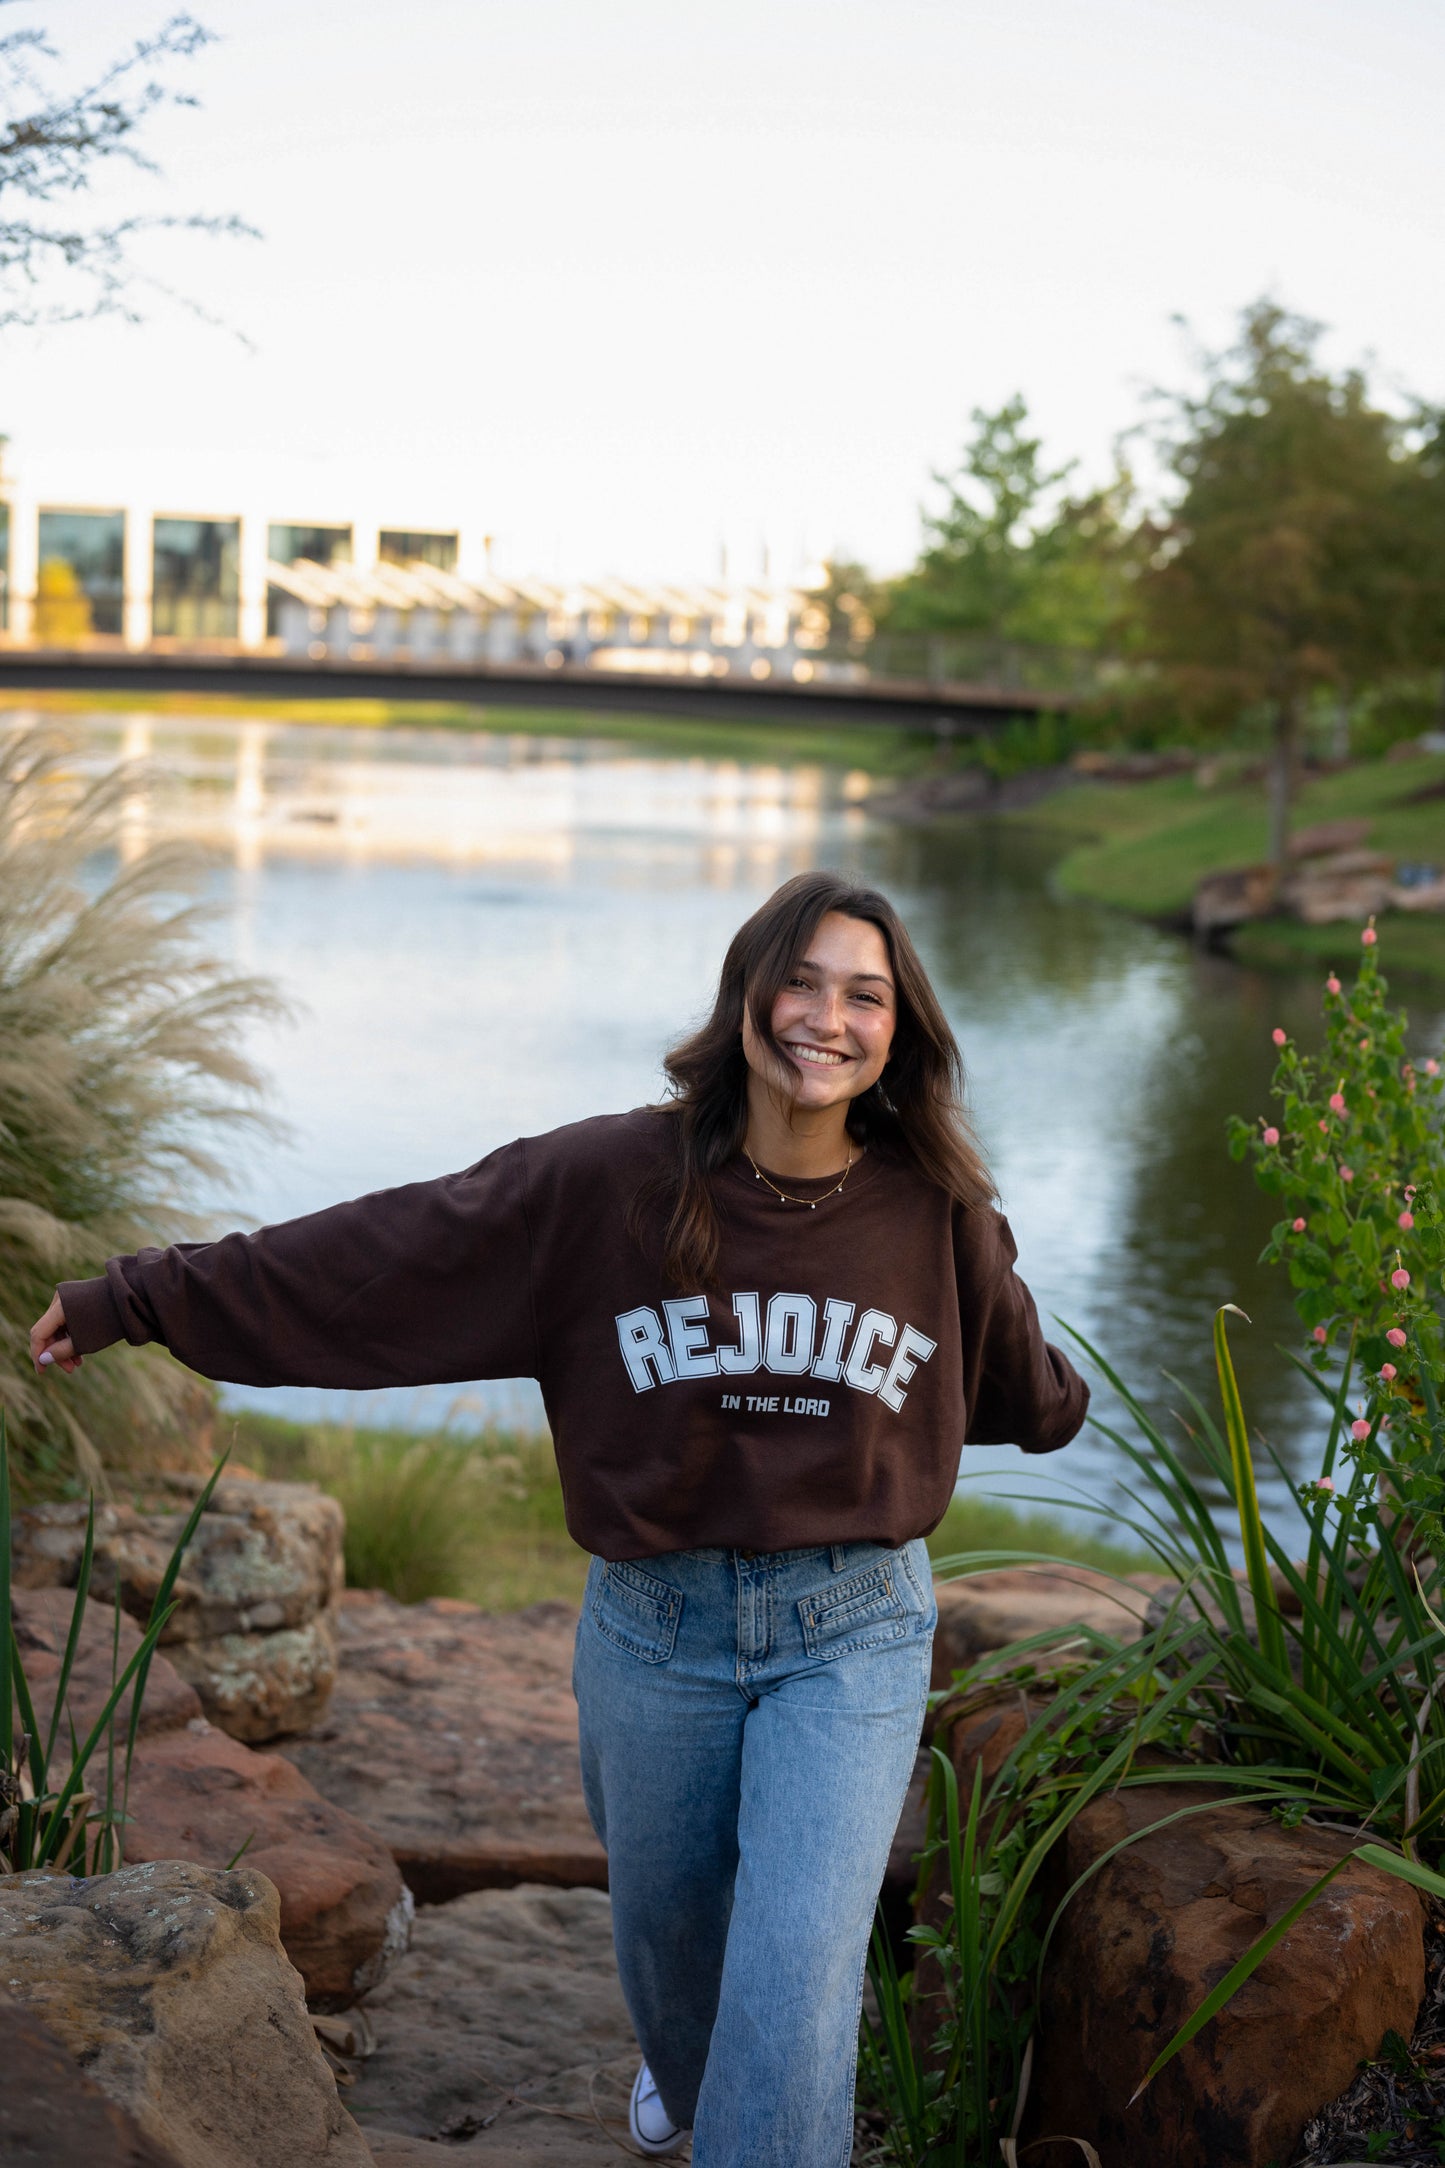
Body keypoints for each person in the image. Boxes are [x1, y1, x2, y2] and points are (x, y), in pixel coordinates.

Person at [30, 867, 1086, 2167]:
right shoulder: (607, 1183)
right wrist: (136, 1298)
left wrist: (955, 1393)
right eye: (799, 980)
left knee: (799, 1966)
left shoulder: (936, 1212)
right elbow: (386, 1257)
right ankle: (696, 2095)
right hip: (654, 1624)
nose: (826, 1016)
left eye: (863, 995)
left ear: (898, 1033)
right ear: (746, 996)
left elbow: (1025, 1398)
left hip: (850, 1629)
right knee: (672, 1937)